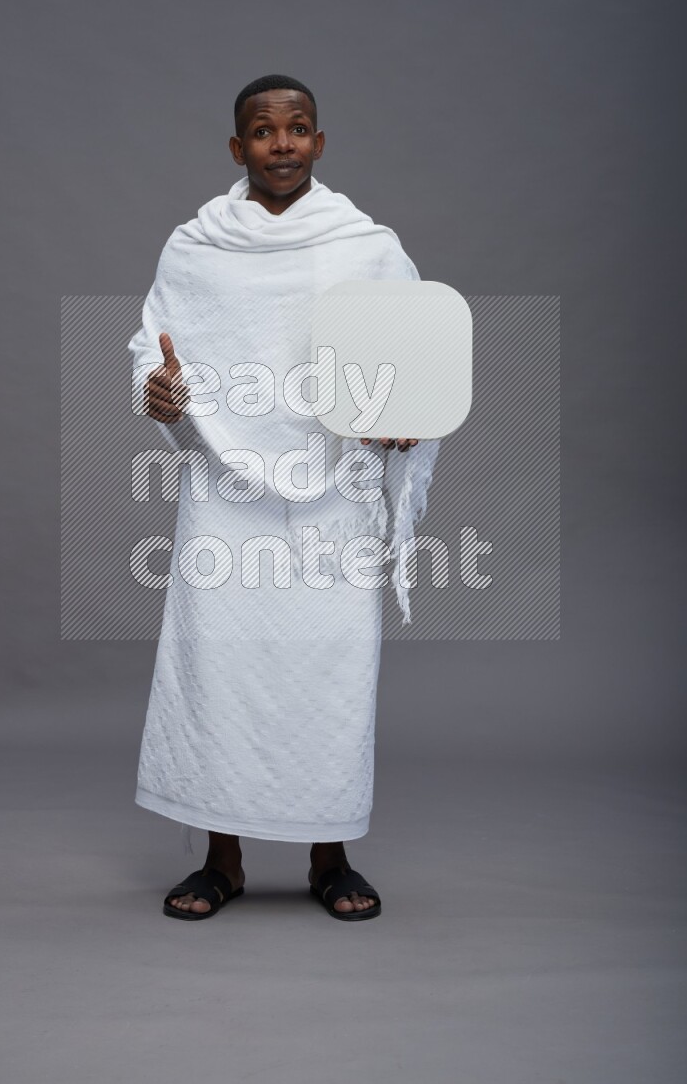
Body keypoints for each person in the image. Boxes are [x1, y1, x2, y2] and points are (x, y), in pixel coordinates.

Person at [128, 74, 439, 921]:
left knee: (328, 671)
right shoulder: (195, 247)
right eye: (264, 132)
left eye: (298, 128)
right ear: (238, 149)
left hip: (334, 493)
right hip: (225, 492)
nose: (282, 144)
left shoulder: (365, 245)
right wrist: (156, 390)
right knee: (220, 667)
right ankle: (220, 859)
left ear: (320, 142)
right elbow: (152, 346)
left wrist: (405, 416)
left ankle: (329, 854)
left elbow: (412, 349)